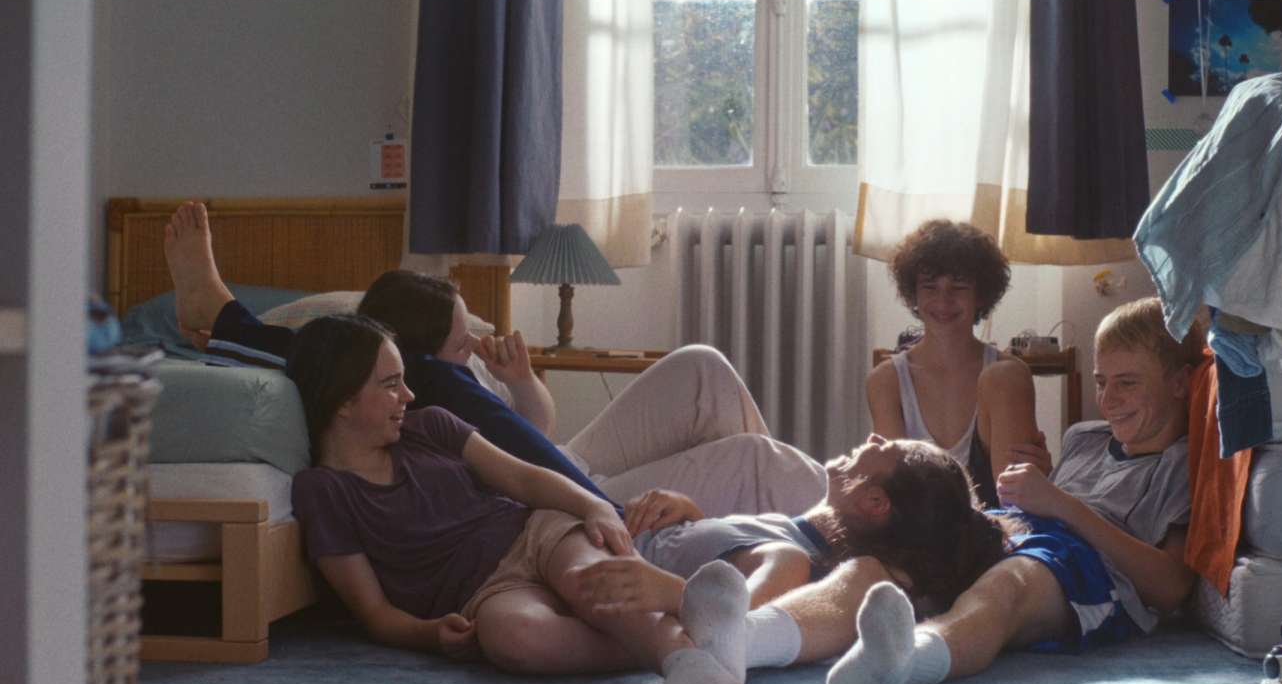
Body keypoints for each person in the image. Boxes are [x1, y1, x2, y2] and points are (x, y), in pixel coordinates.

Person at [162, 200, 824, 518]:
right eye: (460, 343)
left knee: (702, 366)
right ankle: (834, 528)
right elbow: (326, 349)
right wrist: (604, 513)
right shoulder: (419, 379)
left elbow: (534, 433)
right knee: (757, 462)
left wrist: (522, 382)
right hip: (562, 500)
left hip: (565, 468)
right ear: (409, 354)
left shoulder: (456, 372)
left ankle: (749, 540)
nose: (474, 347)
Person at [724, 297, 1204, 684]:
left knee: (1007, 586)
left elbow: (1171, 587)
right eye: (1101, 381)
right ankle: (737, 642)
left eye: (1127, 383)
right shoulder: (1084, 437)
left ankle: (906, 661)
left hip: (1084, 568)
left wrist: (1060, 503)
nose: (1108, 399)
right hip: (1008, 530)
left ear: (1180, 383)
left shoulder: (1180, 463)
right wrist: (1037, 483)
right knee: (873, 569)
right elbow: (1045, 503)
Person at [285, 313, 748, 684]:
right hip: (483, 593)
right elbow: (374, 613)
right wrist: (429, 634)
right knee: (513, 640)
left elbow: (524, 478)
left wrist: (594, 506)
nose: (408, 394)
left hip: (534, 533)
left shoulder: (431, 426)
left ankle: (683, 662)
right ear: (343, 400)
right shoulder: (322, 491)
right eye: (390, 385)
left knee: (590, 582)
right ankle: (702, 641)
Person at [575, 434, 1022, 614]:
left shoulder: (793, 561)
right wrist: (692, 515)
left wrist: (669, 591)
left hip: (587, 545)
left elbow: (735, 619)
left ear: (874, 501)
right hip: (601, 527)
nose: (873, 437)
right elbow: (720, 566)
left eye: (887, 447)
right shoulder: (793, 534)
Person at [866, 219, 1047, 507]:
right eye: (930, 287)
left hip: (999, 526)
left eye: (959, 287)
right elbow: (896, 494)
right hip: (917, 525)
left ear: (981, 295)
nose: (944, 300)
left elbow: (1020, 498)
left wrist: (1041, 478)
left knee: (1007, 376)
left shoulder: (1008, 376)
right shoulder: (885, 380)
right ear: (913, 294)